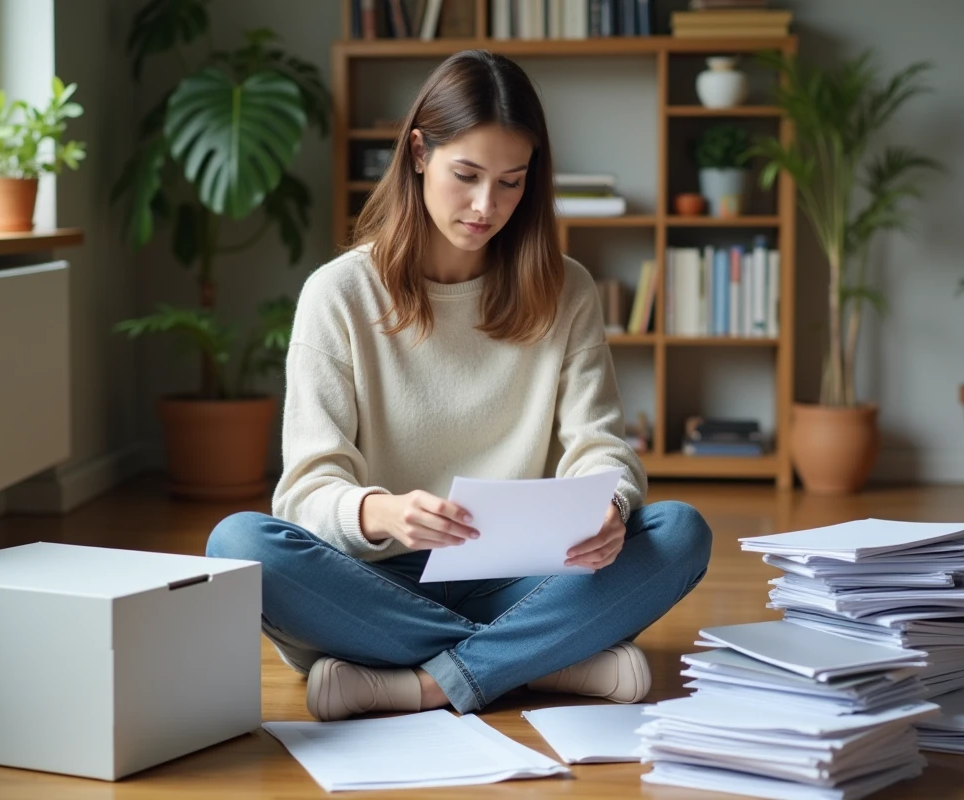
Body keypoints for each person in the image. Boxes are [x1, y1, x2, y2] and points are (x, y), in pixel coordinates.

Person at [206, 49, 712, 722]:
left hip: (523, 575)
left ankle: (423, 682)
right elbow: (306, 490)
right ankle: (546, 662)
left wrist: (612, 507)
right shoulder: (339, 295)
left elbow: (601, 447)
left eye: (511, 182)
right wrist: (383, 512)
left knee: (679, 532)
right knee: (238, 546)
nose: (486, 206)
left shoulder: (566, 290)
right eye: (466, 175)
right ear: (419, 152)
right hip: (377, 575)